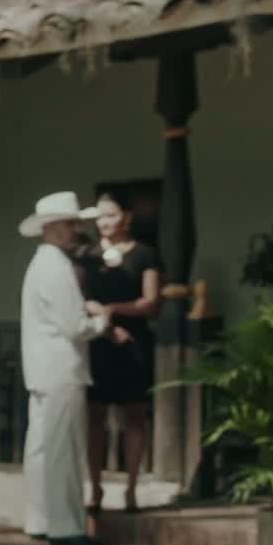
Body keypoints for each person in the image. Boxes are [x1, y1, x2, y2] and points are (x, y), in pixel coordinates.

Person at [18, 191, 118, 545]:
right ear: (51, 227)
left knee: (42, 448)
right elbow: (74, 326)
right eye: (69, 223)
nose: (75, 229)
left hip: (43, 368)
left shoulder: (40, 263)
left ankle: (41, 519)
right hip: (61, 369)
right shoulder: (56, 266)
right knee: (63, 448)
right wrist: (102, 321)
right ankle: (66, 527)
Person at [80, 193, 161, 513]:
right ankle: (95, 488)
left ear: (126, 216)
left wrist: (114, 309)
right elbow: (82, 296)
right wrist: (105, 322)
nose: (104, 222)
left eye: (111, 215)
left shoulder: (145, 254)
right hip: (99, 340)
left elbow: (150, 301)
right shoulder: (88, 255)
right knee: (95, 416)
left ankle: (131, 488)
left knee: (135, 415)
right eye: (100, 216)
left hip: (134, 341)